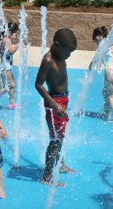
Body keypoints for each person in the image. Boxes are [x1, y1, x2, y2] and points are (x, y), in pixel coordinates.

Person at [35, 28, 77, 187]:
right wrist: (54, 104)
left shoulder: (61, 56)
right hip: (54, 105)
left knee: (61, 136)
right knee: (55, 139)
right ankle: (47, 176)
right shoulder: (48, 60)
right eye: (68, 51)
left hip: (62, 101)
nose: (69, 55)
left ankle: (60, 163)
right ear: (56, 45)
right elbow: (38, 85)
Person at [0, 22, 19, 109]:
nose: (16, 37)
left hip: (5, 66)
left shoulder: (3, 40)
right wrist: (17, 45)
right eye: (16, 35)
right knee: (10, 85)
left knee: (12, 85)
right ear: (10, 32)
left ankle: (12, 103)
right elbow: (10, 51)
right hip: (6, 67)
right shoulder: (7, 40)